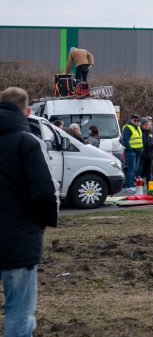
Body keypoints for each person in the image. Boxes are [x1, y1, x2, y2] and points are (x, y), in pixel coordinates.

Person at [0, 87, 59, 337]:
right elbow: (44, 192)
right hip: (18, 239)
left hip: (17, 234)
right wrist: (44, 222)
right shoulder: (27, 142)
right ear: (27, 111)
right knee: (19, 312)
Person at [121, 113, 143, 192]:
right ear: (131, 119)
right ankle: (129, 186)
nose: (136, 122)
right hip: (131, 152)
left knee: (135, 170)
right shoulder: (127, 127)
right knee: (131, 169)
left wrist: (141, 149)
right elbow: (125, 141)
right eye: (135, 120)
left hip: (138, 152)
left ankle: (132, 184)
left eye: (137, 121)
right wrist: (130, 150)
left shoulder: (137, 127)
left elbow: (140, 139)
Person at [138, 117, 153, 182]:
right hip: (142, 155)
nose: (147, 125)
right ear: (142, 125)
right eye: (145, 124)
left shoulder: (152, 132)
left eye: (148, 124)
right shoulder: (139, 132)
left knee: (149, 172)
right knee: (139, 171)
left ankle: (149, 186)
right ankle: (139, 186)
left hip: (150, 155)